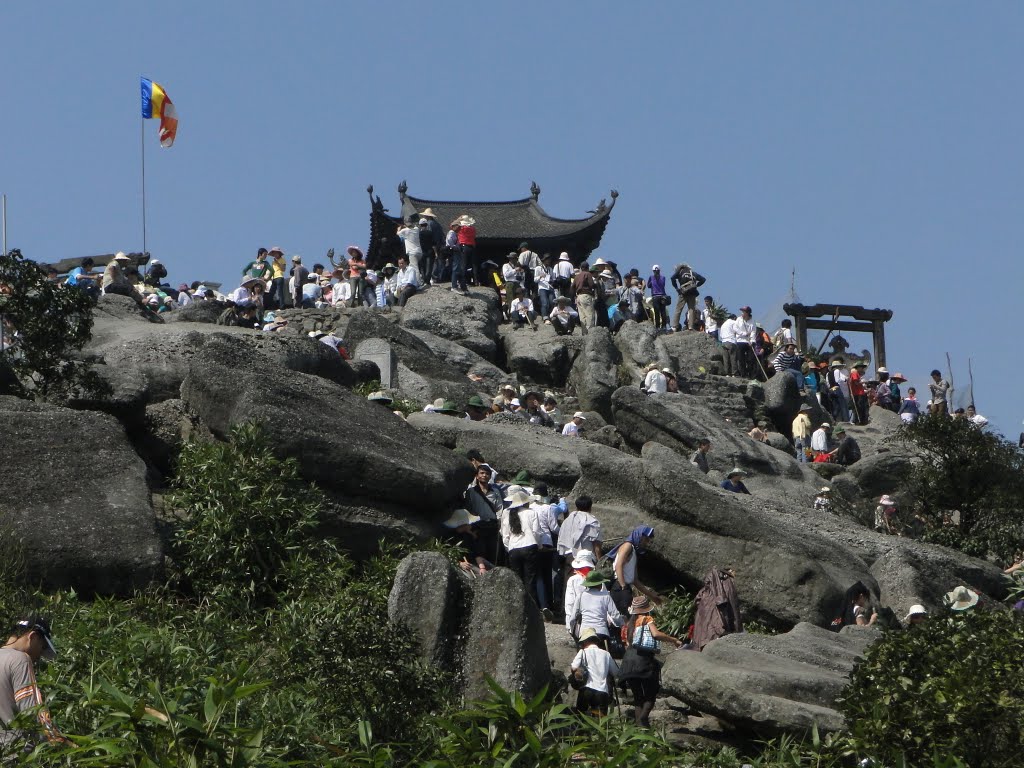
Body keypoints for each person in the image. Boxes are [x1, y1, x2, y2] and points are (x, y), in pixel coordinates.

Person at [0, 615, 65, 748]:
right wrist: (59, 743)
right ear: (33, 637)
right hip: (14, 753)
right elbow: (31, 713)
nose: (40, 655)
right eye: (42, 647)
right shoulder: (20, 660)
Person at [617, 595, 682, 728]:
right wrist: (673, 640)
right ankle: (643, 720)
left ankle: (639, 730)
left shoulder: (629, 623)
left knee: (638, 697)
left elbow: (627, 643)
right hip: (643, 660)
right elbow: (656, 634)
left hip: (628, 661)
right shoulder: (647, 619)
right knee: (651, 693)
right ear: (646, 609)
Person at [500, 486, 543, 602]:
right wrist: (539, 545)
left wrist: (509, 548)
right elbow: (536, 532)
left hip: (513, 549)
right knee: (530, 579)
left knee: (517, 580)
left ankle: (518, 604)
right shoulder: (531, 513)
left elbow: (505, 536)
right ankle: (532, 606)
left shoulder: (507, 513)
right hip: (530, 546)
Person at [607, 525, 660, 614]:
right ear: (640, 536)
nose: (647, 543)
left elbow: (635, 580)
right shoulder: (627, 546)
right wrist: (623, 587)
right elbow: (618, 565)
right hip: (619, 587)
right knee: (624, 617)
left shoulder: (634, 551)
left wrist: (652, 596)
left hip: (625, 587)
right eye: (646, 539)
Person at [570, 628, 619, 718]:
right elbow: (616, 672)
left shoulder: (583, 652)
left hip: (586, 690)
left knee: (581, 718)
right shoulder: (606, 654)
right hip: (602, 692)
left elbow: (574, 667)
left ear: (585, 641)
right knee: (600, 721)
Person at [691, 568, 743, 650]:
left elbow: (697, 600)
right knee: (712, 630)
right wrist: (737, 629)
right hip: (716, 611)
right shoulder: (725, 581)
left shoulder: (706, 591)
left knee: (704, 632)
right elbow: (733, 606)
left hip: (707, 611)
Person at [566, 571, 623, 643]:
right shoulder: (606, 596)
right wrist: (622, 625)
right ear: (600, 585)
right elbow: (615, 616)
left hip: (584, 633)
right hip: (602, 633)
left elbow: (573, 618)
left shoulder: (580, 596)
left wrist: (573, 632)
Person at [465, 466, 503, 565]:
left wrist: (499, 523)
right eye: (481, 473)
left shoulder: (495, 491)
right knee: (480, 551)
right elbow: (468, 509)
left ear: (490, 476)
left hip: (492, 525)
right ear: (477, 476)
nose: (484, 475)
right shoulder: (471, 492)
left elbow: (499, 509)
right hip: (477, 525)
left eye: (487, 474)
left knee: (493, 552)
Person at [442, 508, 490, 575]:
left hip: (474, 561)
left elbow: (476, 553)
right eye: (467, 524)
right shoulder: (448, 537)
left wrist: (482, 568)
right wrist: (460, 563)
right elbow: (446, 554)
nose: (470, 525)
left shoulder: (468, 535)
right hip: (461, 564)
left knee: (491, 569)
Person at [669, 262, 706, 331]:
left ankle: (674, 326)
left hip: (683, 292)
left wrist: (677, 288)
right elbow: (703, 279)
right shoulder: (693, 273)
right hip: (692, 292)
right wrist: (697, 285)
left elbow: (672, 278)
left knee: (678, 309)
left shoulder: (680, 272)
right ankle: (691, 327)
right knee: (691, 309)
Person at [451, 214, 478, 287]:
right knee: (473, 265)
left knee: (463, 265)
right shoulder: (473, 229)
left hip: (464, 246)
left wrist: (458, 219)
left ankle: (463, 281)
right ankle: (476, 281)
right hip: (472, 247)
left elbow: (452, 226)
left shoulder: (462, 228)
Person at [732, 306, 757, 379]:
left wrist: (752, 341)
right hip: (740, 341)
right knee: (741, 358)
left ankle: (751, 374)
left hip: (749, 342)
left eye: (744, 312)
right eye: (742, 311)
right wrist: (743, 333)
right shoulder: (739, 319)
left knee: (751, 359)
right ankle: (743, 374)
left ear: (748, 313)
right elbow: (735, 328)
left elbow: (753, 331)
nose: (742, 313)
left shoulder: (752, 321)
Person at [646, 265, 670, 331]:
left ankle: (657, 327)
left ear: (653, 271)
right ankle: (664, 326)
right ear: (659, 270)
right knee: (663, 311)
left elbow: (648, 285)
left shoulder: (651, 277)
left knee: (657, 312)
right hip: (662, 296)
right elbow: (663, 285)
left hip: (655, 296)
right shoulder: (663, 277)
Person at [534, 255, 556, 320]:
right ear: (544, 260)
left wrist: (552, 280)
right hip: (542, 287)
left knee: (552, 302)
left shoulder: (550, 269)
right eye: (547, 260)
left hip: (549, 287)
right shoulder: (538, 268)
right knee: (544, 303)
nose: (549, 261)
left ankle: (551, 315)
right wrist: (540, 276)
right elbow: (535, 280)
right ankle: (545, 317)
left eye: (549, 260)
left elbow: (553, 278)